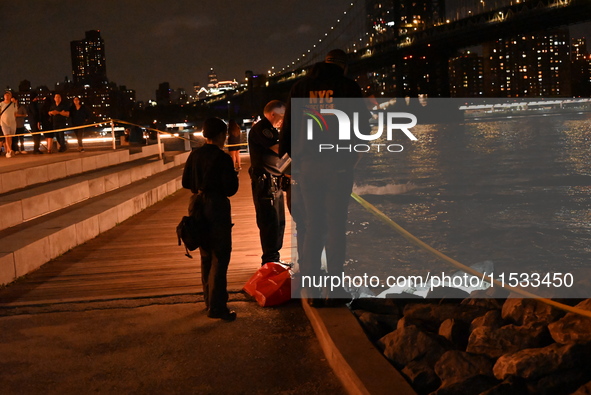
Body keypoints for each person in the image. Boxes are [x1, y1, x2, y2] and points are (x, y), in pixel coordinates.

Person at [279, 49, 369, 306]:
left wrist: (288, 165)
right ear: (343, 67)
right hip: (338, 167)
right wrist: (352, 157)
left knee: (313, 227)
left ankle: (313, 294)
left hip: (307, 168)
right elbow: (363, 128)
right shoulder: (348, 87)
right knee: (336, 228)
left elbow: (287, 130)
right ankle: (335, 291)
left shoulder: (300, 87)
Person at [182, 117, 239, 321]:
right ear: (221, 136)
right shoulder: (222, 158)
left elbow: (186, 182)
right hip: (216, 206)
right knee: (220, 256)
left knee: (206, 255)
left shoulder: (194, 155)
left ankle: (209, 300)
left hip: (196, 205)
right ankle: (217, 307)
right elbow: (231, 189)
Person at [248, 100, 288, 265]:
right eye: (283, 115)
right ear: (273, 113)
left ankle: (274, 259)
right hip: (265, 183)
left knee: (279, 222)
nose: (284, 119)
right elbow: (279, 150)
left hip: (275, 182)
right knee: (269, 222)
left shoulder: (272, 130)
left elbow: (281, 159)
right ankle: (269, 261)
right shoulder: (262, 129)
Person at [0, 91, 17, 158]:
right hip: (4, 122)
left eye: (8, 95)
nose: (7, 96)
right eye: (6, 95)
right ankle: (9, 150)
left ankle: (8, 151)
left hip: (12, 122)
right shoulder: (1, 104)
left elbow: (15, 113)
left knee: (10, 137)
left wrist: (15, 102)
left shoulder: (13, 104)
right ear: (4, 96)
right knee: (7, 136)